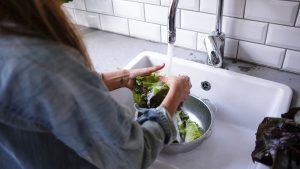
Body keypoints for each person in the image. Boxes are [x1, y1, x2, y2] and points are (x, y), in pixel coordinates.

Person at [0, 1, 191, 169]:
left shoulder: (11, 42)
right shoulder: (43, 61)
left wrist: (122, 77)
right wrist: (175, 93)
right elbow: (131, 156)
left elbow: (45, 96)